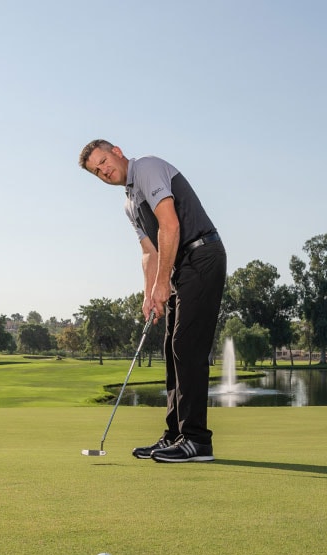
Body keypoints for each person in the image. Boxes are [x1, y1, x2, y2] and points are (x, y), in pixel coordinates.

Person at [79, 139, 226, 463]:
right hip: (180, 267)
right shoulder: (129, 202)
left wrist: (162, 284)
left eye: (104, 161)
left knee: (187, 347)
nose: (104, 171)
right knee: (172, 350)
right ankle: (175, 435)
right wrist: (150, 295)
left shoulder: (146, 167)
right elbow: (149, 251)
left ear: (116, 151)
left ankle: (197, 441)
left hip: (202, 255)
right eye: (97, 171)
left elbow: (169, 225)